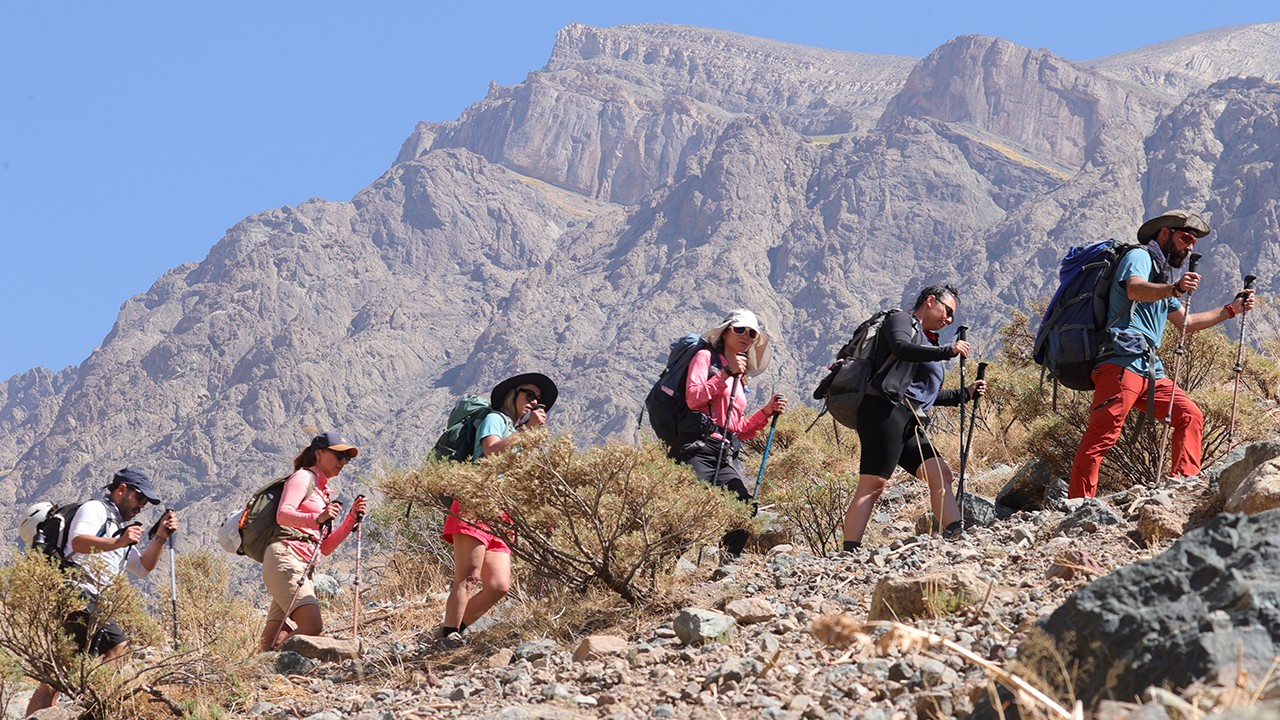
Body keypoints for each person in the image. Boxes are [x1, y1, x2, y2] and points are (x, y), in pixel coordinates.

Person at [1068, 210, 1257, 498]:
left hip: (1149, 369)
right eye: (1186, 238)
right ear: (1165, 233)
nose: (1190, 246)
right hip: (1122, 362)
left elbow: (1186, 323)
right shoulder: (1140, 257)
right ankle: (1079, 503)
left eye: (1193, 241)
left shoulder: (1161, 276)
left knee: (1189, 415)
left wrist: (1231, 309)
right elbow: (1133, 289)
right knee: (1102, 435)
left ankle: (1183, 484)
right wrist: (1175, 288)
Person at [840, 284, 987, 551]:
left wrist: (964, 393)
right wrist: (947, 351)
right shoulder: (901, 320)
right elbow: (900, 347)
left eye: (953, 316)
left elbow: (924, 395)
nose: (949, 319)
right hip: (883, 410)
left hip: (908, 419)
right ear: (930, 301)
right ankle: (849, 551)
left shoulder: (927, 340)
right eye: (947, 310)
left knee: (940, 474)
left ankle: (957, 535)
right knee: (874, 484)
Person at [26, 468, 178, 716]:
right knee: (118, 647)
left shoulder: (118, 527)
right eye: (139, 498)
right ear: (122, 490)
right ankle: (92, 710)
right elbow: (77, 541)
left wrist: (160, 535)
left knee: (58, 674)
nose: (141, 506)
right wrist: (119, 542)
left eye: (146, 503)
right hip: (77, 590)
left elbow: (143, 568)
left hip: (89, 597)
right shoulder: (95, 509)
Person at [440, 372, 558, 645]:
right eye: (528, 395)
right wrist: (526, 431)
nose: (533, 402)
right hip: (477, 501)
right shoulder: (496, 419)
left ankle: (452, 630)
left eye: (537, 399)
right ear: (513, 395)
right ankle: (449, 637)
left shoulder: (519, 434)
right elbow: (491, 451)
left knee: (498, 585)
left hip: (502, 512)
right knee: (468, 577)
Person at [672, 309, 788, 560]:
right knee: (687, 512)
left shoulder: (741, 377)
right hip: (696, 448)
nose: (746, 336)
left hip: (722, 454)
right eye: (740, 329)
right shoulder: (705, 357)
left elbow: (736, 429)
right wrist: (725, 374)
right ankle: (661, 572)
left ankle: (727, 565)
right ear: (725, 332)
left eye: (752, 333)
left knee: (745, 508)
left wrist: (766, 412)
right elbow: (694, 398)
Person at [259, 432, 367, 652]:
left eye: (347, 458)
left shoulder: (322, 490)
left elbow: (325, 547)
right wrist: (317, 518)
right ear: (319, 453)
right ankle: (274, 663)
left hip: (302, 565)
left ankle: (260, 671)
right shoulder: (302, 478)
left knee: (274, 640)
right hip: (286, 557)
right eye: (339, 456)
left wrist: (351, 519)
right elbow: (283, 514)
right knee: (312, 624)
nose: (344, 462)